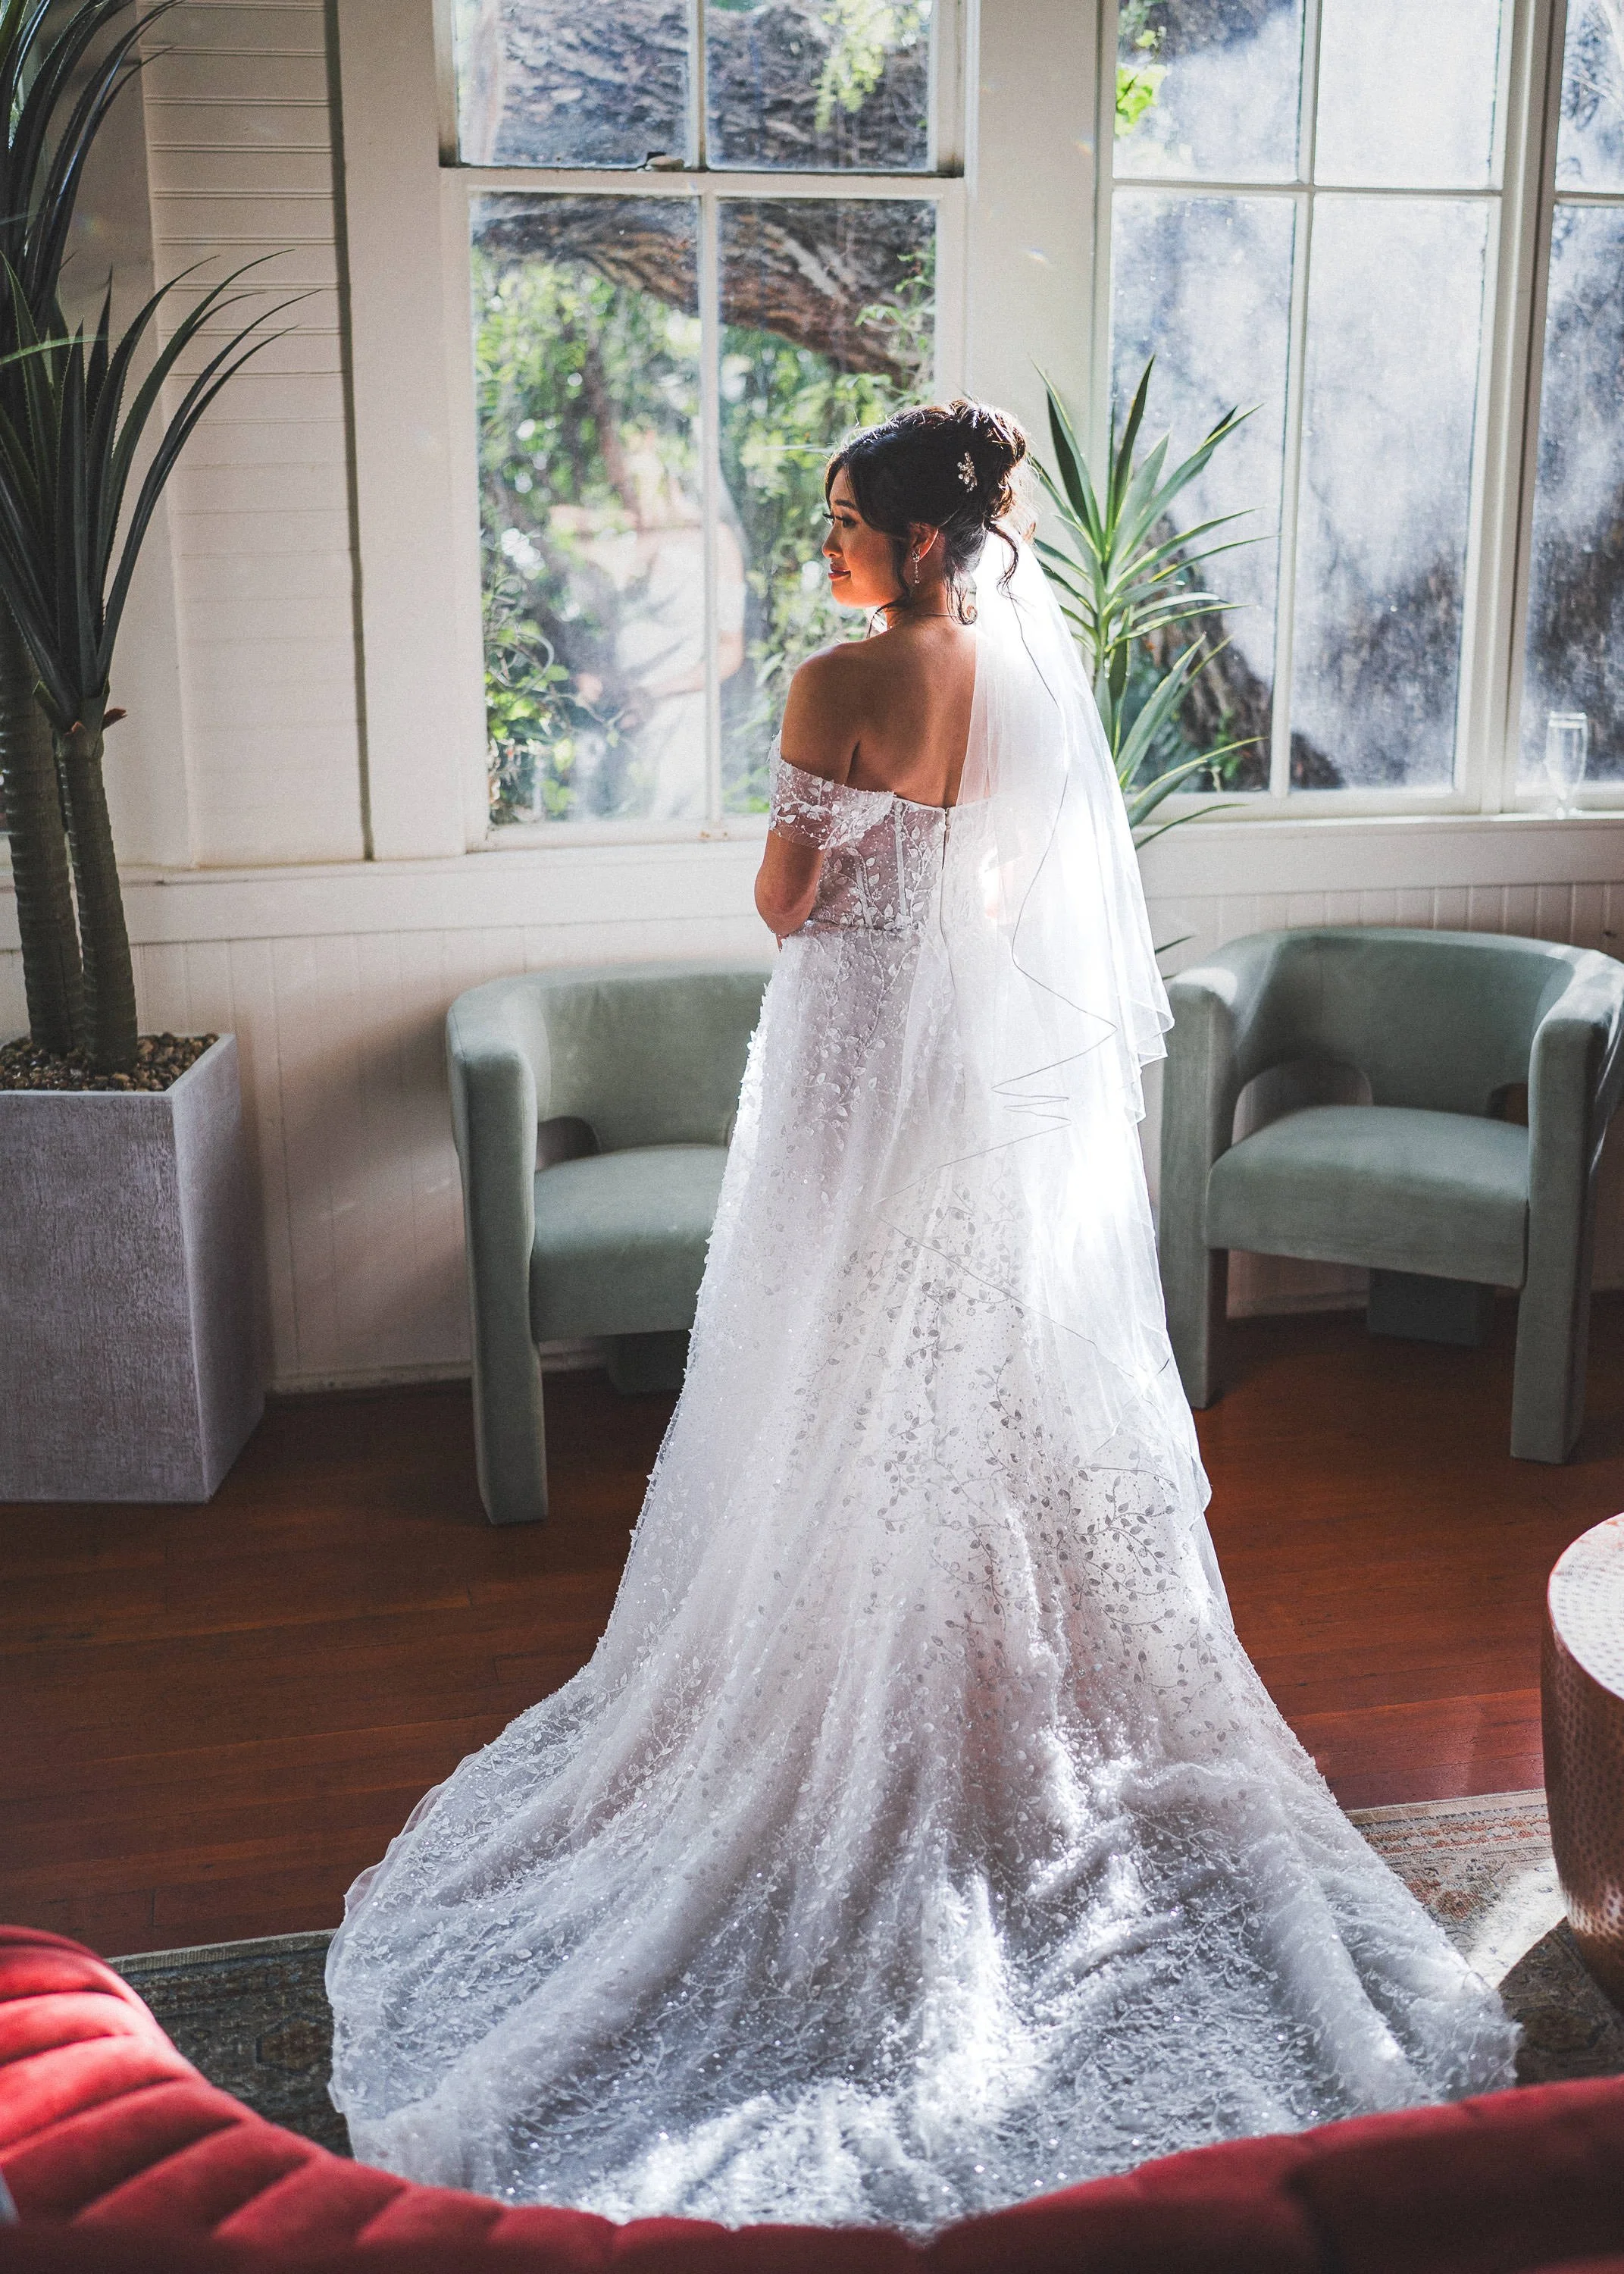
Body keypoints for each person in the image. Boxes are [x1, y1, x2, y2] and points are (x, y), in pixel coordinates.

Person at [326, 398, 1516, 2234]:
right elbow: (1026, 899)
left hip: (845, 1069)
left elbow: (789, 901)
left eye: (843, 522)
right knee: (980, 1373)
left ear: (911, 540)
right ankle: (980, 1699)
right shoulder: (1026, 681)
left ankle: (854, 1681)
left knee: (821, 1358)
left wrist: (835, 858)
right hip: (961, 1080)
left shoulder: (834, 682)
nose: (825, 547)